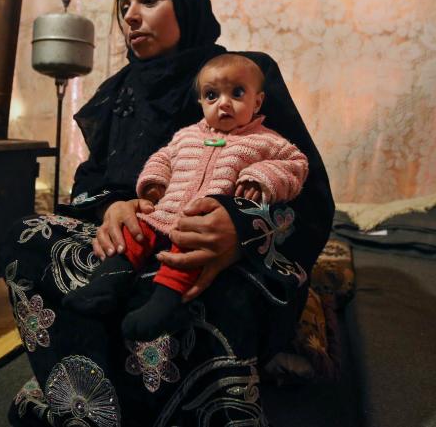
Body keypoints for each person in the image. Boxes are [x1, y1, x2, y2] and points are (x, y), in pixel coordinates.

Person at [0, 0, 335, 427]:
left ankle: (130, 391)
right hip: (133, 237)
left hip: (211, 247)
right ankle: (87, 397)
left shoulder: (241, 75)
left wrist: (239, 230)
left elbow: (307, 188)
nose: (130, 17)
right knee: (26, 237)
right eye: (123, 6)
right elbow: (90, 185)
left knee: (216, 291)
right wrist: (115, 206)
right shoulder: (119, 92)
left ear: (188, 6)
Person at [63, 53, 309, 342]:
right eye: (212, 95)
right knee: (135, 232)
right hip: (163, 212)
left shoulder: (266, 141)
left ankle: (165, 302)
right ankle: (106, 282)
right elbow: (163, 157)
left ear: (257, 102)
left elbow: (296, 165)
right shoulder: (186, 136)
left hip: (201, 222)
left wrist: (263, 177)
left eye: (237, 93)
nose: (224, 103)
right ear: (201, 102)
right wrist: (154, 181)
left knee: (190, 251)